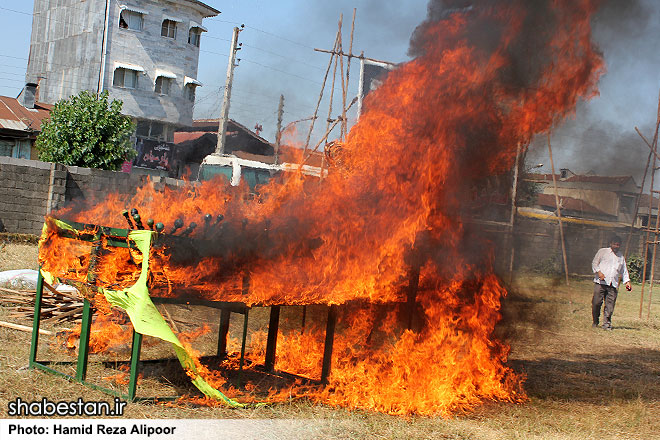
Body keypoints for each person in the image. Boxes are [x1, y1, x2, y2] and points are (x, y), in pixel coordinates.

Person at [592, 235, 631, 330]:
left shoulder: (621, 256)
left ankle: (606, 324)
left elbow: (624, 270)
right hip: (600, 283)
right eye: (614, 244)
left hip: (613, 284)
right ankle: (595, 321)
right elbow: (594, 263)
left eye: (618, 245)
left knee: (610, 306)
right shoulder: (603, 252)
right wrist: (599, 272)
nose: (616, 246)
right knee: (596, 303)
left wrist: (627, 282)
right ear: (610, 244)